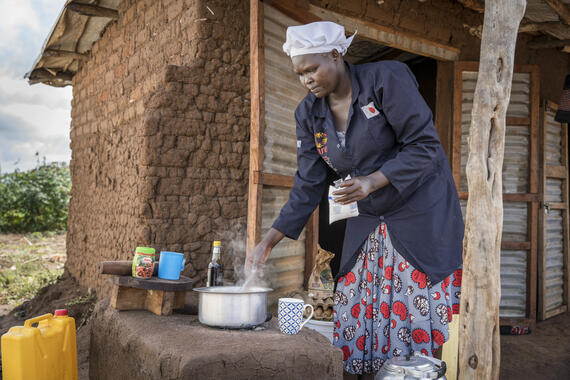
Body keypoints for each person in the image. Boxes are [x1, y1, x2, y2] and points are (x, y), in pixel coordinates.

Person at [245, 21, 464, 377]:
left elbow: (425, 146)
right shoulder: (309, 114)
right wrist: (269, 241)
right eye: (300, 74)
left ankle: (413, 373)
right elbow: (308, 182)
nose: (307, 80)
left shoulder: (386, 80)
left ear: (335, 54)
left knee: (409, 313)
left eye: (312, 69)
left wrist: (372, 181)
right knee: (360, 311)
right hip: (368, 217)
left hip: (418, 211)